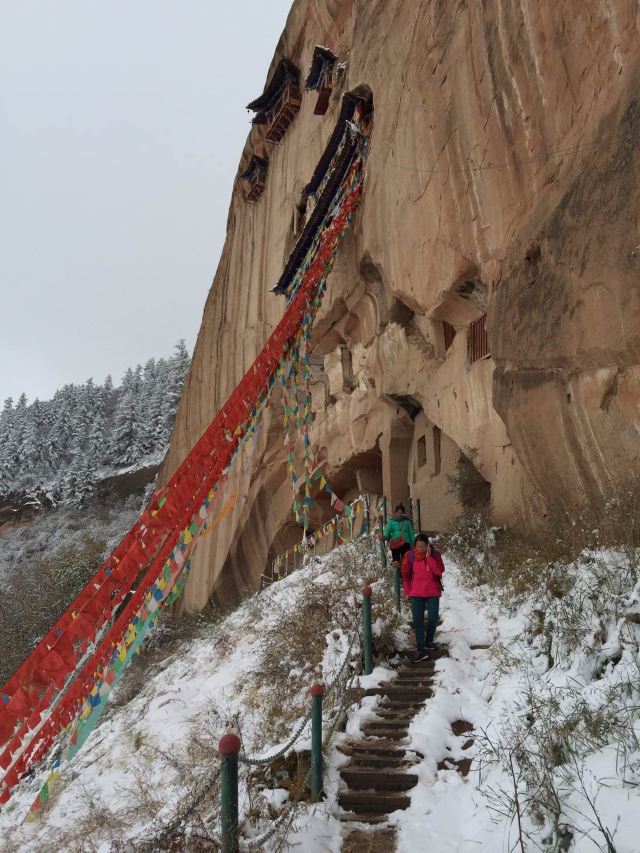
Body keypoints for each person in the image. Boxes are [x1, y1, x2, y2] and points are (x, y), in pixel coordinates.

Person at [401, 533, 445, 661]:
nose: (420, 549)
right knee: (417, 621)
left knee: (433, 618)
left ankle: (429, 640)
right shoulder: (410, 556)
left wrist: (429, 558)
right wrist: (408, 591)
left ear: (428, 546)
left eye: (423, 546)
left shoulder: (435, 556)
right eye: (418, 546)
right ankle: (421, 649)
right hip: (416, 593)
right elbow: (405, 575)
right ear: (415, 546)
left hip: (433, 592)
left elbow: (439, 571)